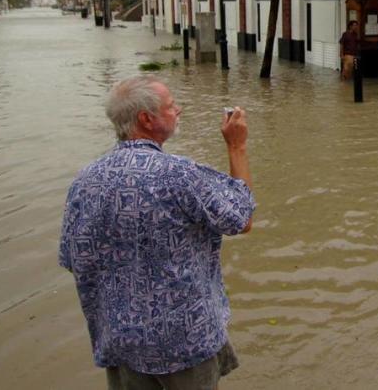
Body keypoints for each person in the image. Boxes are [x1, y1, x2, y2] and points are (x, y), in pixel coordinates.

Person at [58, 75, 255, 390]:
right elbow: (241, 218)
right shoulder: (179, 174)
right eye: (171, 105)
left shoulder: (85, 181)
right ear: (146, 119)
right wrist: (237, 146)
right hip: (183, 344)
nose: (179, 110)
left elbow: (72, 257)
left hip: (121, 343)